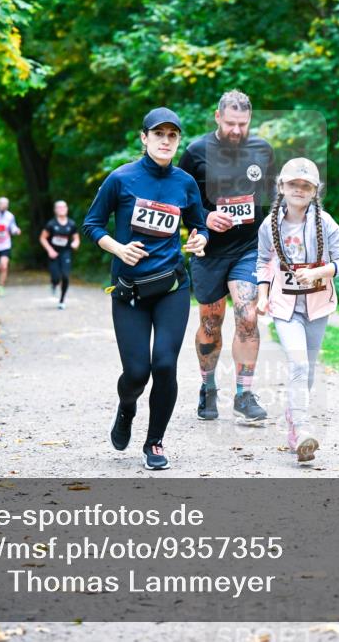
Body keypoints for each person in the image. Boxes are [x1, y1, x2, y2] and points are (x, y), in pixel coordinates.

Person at [82, 107, 209, 471]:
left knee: (165, 364)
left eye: (172, 135)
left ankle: (154, 442)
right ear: (144, 138)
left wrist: (200, 239)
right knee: (137, 372)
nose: (165, 141)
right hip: (129, 291)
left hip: (171, 286)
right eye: (158, 134)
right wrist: (118, 247)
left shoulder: (185, 182)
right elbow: (92, 224)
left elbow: (200, 225)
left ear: (177, 140)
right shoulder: (121, 179)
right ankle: (126, 408)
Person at [177, 89, 275, 423]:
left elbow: (273, 198)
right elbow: (178, 199)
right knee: (211, 320)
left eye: (243, 124)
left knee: (248, 316)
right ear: (218, 117)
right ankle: (208, 388)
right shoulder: (195, 152)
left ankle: (244, 394)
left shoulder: (262, 150)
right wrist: (203, 217)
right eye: (231, 123)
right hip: (209, 252)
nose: (236, 130)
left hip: (248, 249)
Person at [256, 158, 339, 462]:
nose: (299, 189)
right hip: (284, 306)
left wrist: (318, 272)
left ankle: (292, 420)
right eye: (293, 184)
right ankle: (301, 429)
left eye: (306, 185)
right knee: (298, 363)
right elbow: (261, 262)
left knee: (307, 369)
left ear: (315, 191)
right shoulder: (269, 225)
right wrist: (262, 296)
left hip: (317, 305)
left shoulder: (327, 223)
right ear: (281, 187)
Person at [40, 200, 81, 309]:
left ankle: (62, 300)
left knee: (65, 276)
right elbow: (43, 238)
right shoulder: (51, 224)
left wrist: (75, 243)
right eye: (59, 207)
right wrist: (50, 250)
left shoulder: (71, 224)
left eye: (64, 207)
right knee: (55, 277)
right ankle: (54, 284)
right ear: (55, 210)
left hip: (66, 252)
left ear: (67, 209)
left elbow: (76, 238)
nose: (62, 209)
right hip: (54, 253)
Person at [0, 196, 22, 287]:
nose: (4, 206)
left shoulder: (10, 216)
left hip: (5, 245)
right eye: (2, 204)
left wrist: (16, 230)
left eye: (6, 204)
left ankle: (1, 287)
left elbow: (12, 227)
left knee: (4, 266)